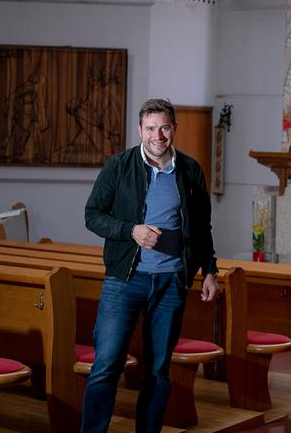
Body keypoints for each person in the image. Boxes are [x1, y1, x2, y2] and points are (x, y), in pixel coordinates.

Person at [81, 98, 218, 433]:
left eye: (165, 128)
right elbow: (93, 215)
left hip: (171, 282)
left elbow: (201, 227)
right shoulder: (119, 166)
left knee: (157, 370)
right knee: (106, 366)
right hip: (125, 281)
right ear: (140, 130)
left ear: (174, 129)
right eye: (151, 128)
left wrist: (210, 270)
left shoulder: (190, 170)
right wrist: (131, 231)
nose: (158, 135)